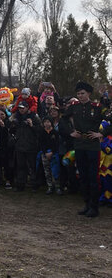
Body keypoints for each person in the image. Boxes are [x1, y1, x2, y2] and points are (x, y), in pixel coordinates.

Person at [65, 81, 105, 217]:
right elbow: (63, 120)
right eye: (78, 94)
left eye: (82, 93)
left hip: (92, 146)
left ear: (88, 93)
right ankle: (87, 203)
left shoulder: (97, 107)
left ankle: (94, 206)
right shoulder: (74, 107)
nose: (80, 96)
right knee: (82, 176)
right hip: (79, 145)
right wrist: (71, 132)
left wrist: (102, 133)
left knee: (93, 177)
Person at [9, 103, 41, 191]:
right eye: (19, 108)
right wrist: (12, 124)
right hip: (20, 145)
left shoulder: (34, 117)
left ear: (27, 108)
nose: (21, 110)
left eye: (23, 108)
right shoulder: (16, 117)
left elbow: (39, 130)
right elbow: (11, 131)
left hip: (31, 145)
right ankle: (20, 185)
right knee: (20, 166)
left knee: (32, 166)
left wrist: (31, 125)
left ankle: (34, 184)